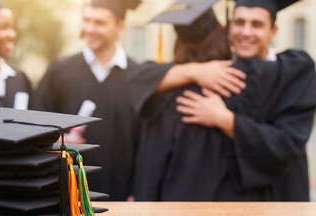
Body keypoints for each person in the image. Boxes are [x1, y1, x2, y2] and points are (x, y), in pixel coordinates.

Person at [131, 0, 316, 201]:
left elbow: (285, 144)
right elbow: (134, 80)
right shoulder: (214, 74)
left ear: (274, 31)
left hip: (277, 199)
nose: (245, 32)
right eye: (239, 22)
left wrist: (224, 118)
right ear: (228, 27)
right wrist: (196, 71)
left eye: (257, 24)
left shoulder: (292, 73)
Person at [34, 0, 141, 201]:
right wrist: (54, 140)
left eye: (99, 23)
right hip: (66, 197)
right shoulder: (59, 72)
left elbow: (145, 144)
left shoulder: (137, 77)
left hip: (123, 196)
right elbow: (34, 128)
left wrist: (138, 191)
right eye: (87, 21)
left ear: (120, 26)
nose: (89, 29)